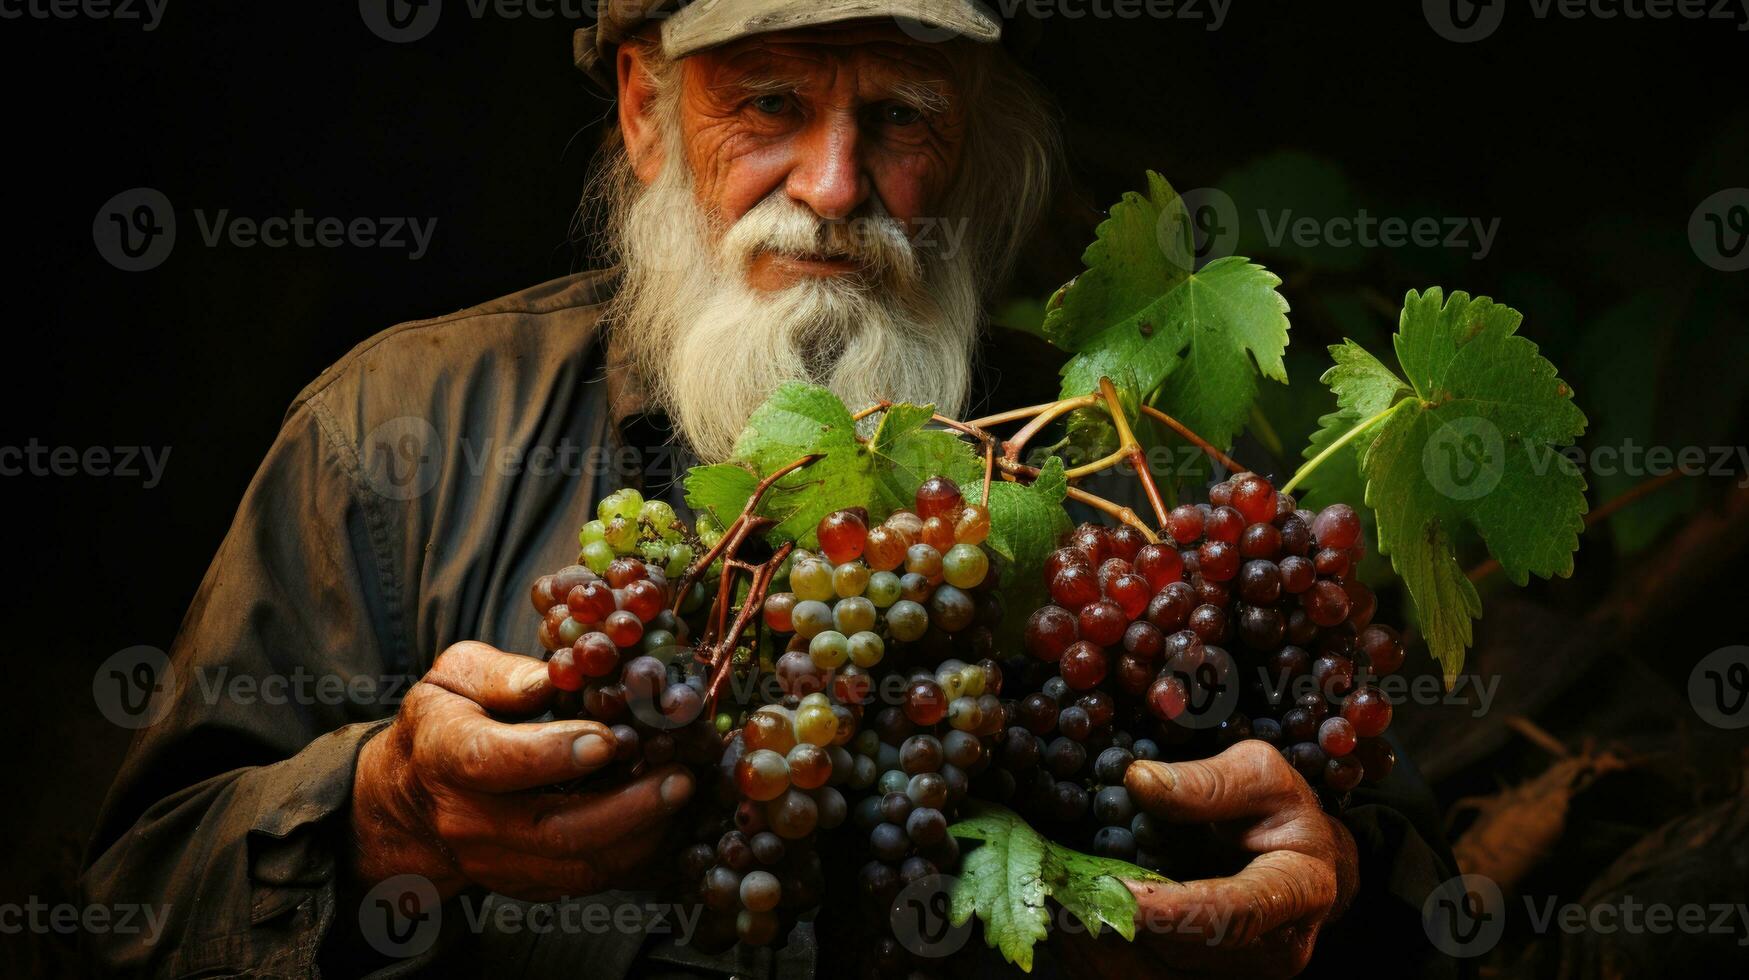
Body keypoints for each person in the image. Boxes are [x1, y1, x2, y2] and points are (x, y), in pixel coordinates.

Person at [82, 2, 1461, 976]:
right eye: (770, 105)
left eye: (901, 116)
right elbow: (131, 908)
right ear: (642, 110)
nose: (834, 183)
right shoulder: (396, 429)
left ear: (976, 135)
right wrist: (386, 819)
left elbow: (1408, 894)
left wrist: (1321, 895)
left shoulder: (1122, 483)